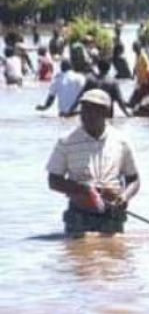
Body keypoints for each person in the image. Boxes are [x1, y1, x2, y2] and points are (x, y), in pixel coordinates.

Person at [45, 89, 140, 237]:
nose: (86, 114)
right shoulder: (66, 141)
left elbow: (134, 179)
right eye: (84, 109)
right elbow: (53, 181)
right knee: (80, 256)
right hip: (79, 216)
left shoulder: (121, 141)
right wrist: (82, 188)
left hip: (112, 216)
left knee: (114, 257)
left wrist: (124, 197)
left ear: (106, 113)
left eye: (93, 110)